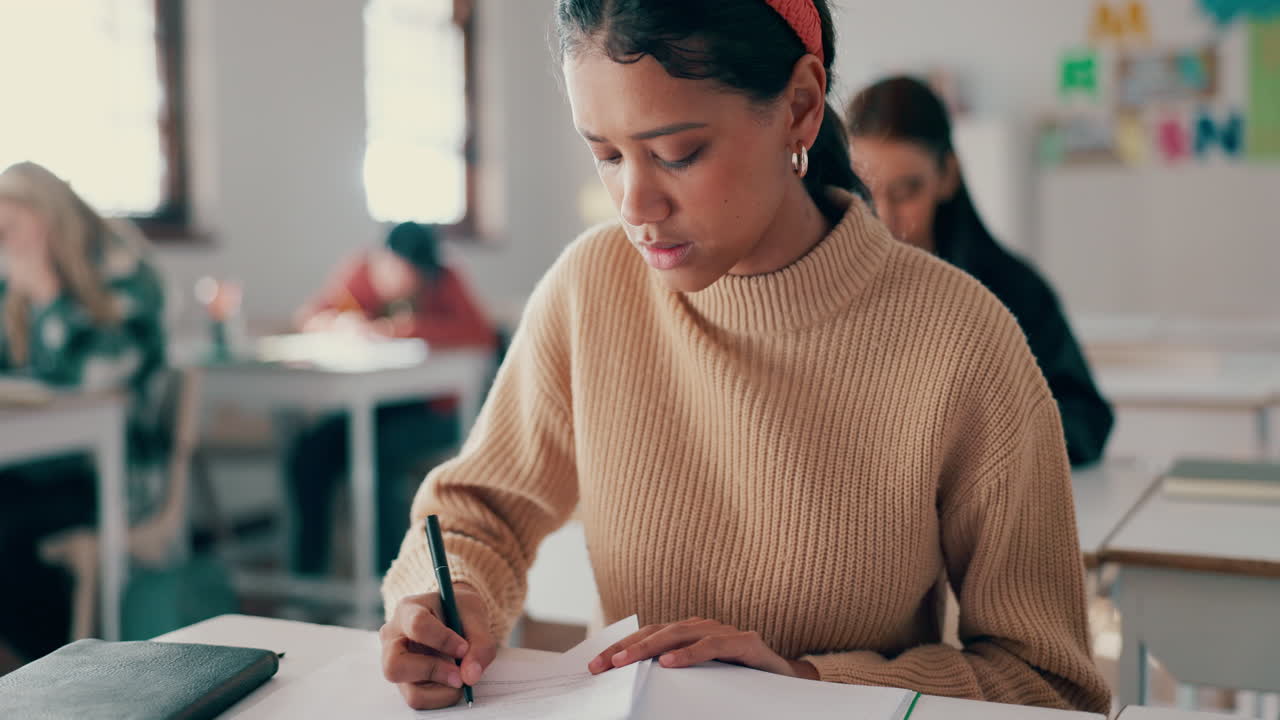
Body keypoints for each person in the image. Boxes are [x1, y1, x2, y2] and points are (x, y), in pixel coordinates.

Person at [378, 0, 1110, 713]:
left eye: (677, 153)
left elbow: (1048, 684)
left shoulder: (961, 338)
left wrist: (804, 683)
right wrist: (452, 602)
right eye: (604, 153)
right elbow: (476, 514)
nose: (634, 205)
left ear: (799, 107)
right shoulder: (592, 288)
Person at [845, 76, 1113, 467]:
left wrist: (977, 443)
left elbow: (1085, 419)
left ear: (947, 176)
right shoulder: (832, 285)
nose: (885, 218)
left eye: (906, 192)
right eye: (866, 193)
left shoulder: (1013, 288)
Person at [0, 161, 167, 664]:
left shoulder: (123, 272)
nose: (2, 243)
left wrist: (48, 294)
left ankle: (52, 666)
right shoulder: (14, 283)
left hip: (117, 472)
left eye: (8, 229)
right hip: (39, 468)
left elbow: (100, 376)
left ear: (45, 218)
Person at [287, 222, 496, 575]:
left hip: (437, 411)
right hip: (376, 406)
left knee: (378, 455)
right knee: (309, 452)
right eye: (400, 271)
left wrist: (403, 329)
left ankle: (386, 579)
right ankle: (307, 582)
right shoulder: (361, 273)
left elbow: (481, 335)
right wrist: (339, 325)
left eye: (415, 275)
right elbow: (311, 317)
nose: (407, 282)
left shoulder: (446, 280)